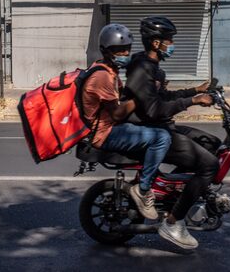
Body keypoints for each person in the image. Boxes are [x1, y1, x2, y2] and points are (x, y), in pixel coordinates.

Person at [124, 16, 222, 250]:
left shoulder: (152, 67)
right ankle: (174, 222)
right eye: (169, 40)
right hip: (151, 130)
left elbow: (163, 98)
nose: (172, 44)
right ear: (156, 43)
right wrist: (193, 100)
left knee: (210, 142)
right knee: (209, 165)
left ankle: (174, 194)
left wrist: (194, 90)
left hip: (162, 125)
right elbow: (154, 109)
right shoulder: (141, 69)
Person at [81, 23, 172, 221]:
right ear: (106, 51)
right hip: (104, 134)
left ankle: (155, 181)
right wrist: (144, 94)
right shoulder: (102, 76)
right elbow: (117, 114)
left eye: (127, 49)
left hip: (110, 127)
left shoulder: (109, 71)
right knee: (161, 138)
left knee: (157, 128)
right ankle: (143, 189)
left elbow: (120, 101)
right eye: (118, 50)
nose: (125, 53)